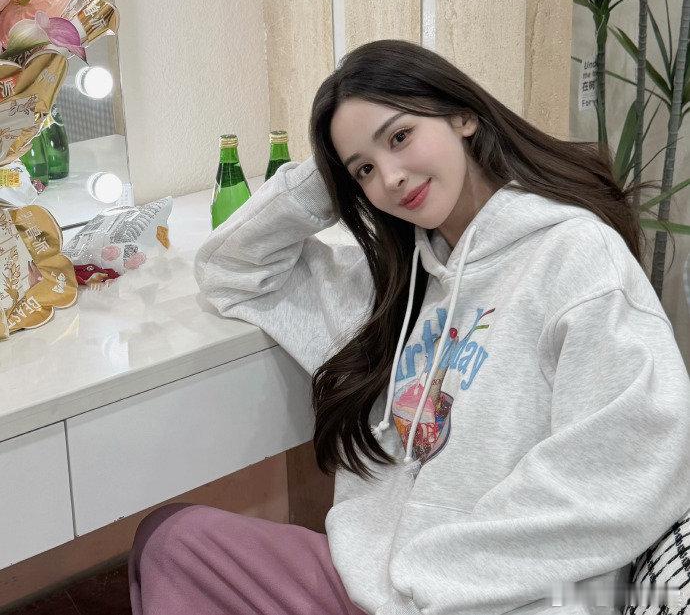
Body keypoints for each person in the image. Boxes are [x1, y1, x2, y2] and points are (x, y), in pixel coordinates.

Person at [129, 39, 690, 615]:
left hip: (501, 596)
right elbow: (231, 272)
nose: (392, 179)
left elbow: (623, 473)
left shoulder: (577, 257)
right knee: (172, 543)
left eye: (400, 137)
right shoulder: (396, 285)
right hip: (376, 583)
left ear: (463, 115)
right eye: (365, 170)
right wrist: (329, 177)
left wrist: (432, 584)